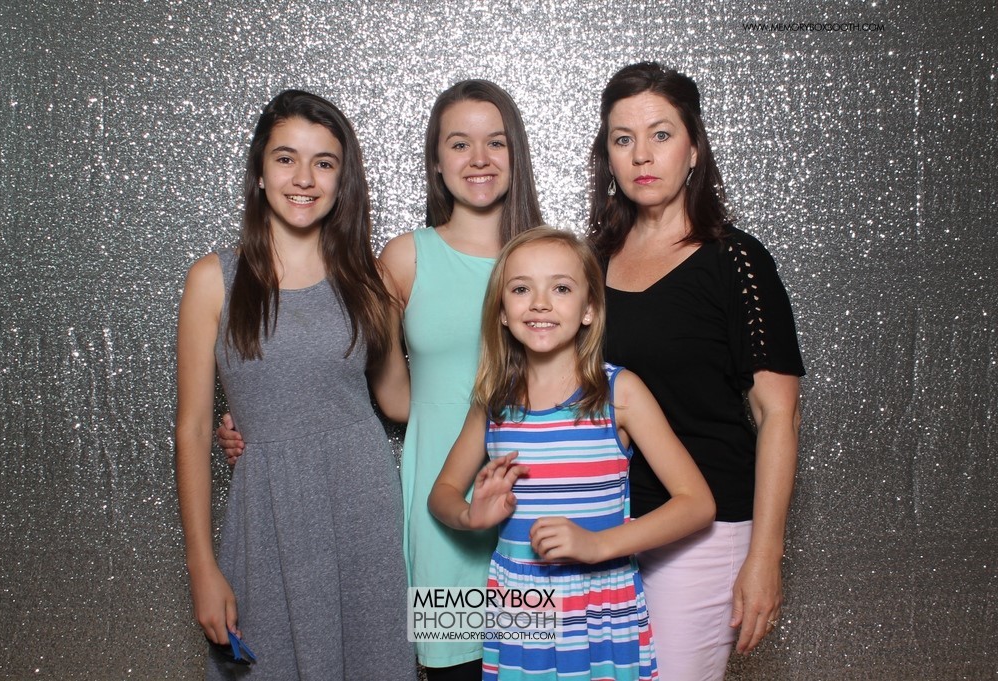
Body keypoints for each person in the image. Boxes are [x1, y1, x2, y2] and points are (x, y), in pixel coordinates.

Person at [218, 79, 543, 680]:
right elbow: (385, 391)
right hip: (441, 503)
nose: (478, 158)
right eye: (459, 144)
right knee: (453, 667)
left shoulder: (553, 257)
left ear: (515, 153)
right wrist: (258, 412)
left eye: (495, 142)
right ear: (436, 161)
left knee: (540, 657)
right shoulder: (402, 259)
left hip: (540, 488)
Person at [175, 89, 414, 680]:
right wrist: (201, 567)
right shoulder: (214, 279)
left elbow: (398, 401)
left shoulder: (370, 279)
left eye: (323, 162)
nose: (304, 178)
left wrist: (505, 402)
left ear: (341, 180)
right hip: (269, 515)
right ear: (260, 171)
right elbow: (194, 429)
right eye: (286, 158)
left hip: (363, 506)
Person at [589, 62, 805, 680]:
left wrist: (765, 556)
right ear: (608, 156)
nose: (641, 154)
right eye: (623, 138)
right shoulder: (590, 262)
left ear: (694, 149)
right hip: (607, 525)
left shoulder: (736, 261)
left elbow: (779, 414)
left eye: (661, 134)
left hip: (707, 534)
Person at [429, 227, 715, 681]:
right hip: (522, 609)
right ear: (501, 311)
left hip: (599, 608)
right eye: (521, 289)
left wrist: (599, 544)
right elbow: (442, 493)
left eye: (560, 288)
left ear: (589, 309)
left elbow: (697, 504)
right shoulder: (493, 402)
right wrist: (470, 516)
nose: (540, 303)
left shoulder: (620, 393)